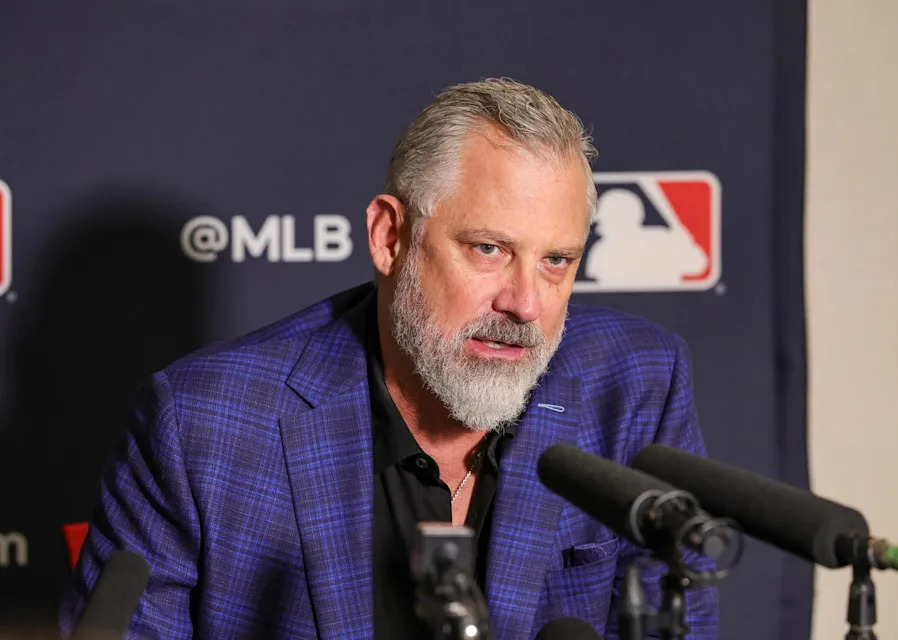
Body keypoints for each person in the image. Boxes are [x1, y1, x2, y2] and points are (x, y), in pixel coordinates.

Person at [60, 78, 718, 639]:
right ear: (389, 236)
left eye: (556, 261)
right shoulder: (201, 424)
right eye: (488, 249)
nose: (525, 303)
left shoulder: (636, 385)